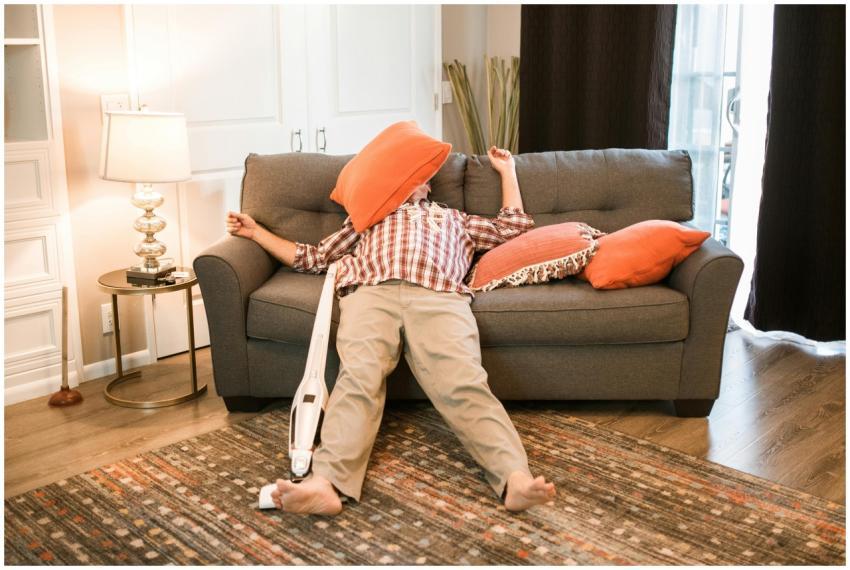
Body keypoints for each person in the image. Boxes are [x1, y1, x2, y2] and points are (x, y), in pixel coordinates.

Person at [226, 146, 556, 515]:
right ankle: (325, 483)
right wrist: (256, 234)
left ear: (427, 188)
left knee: (463, 381)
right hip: (371, 293)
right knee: (358, 377)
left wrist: (506, 171)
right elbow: (314, 257)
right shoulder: (368, 217)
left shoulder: (456, 219)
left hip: (439, 296)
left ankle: (515, 480)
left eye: (416, 176)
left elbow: (513, 228)